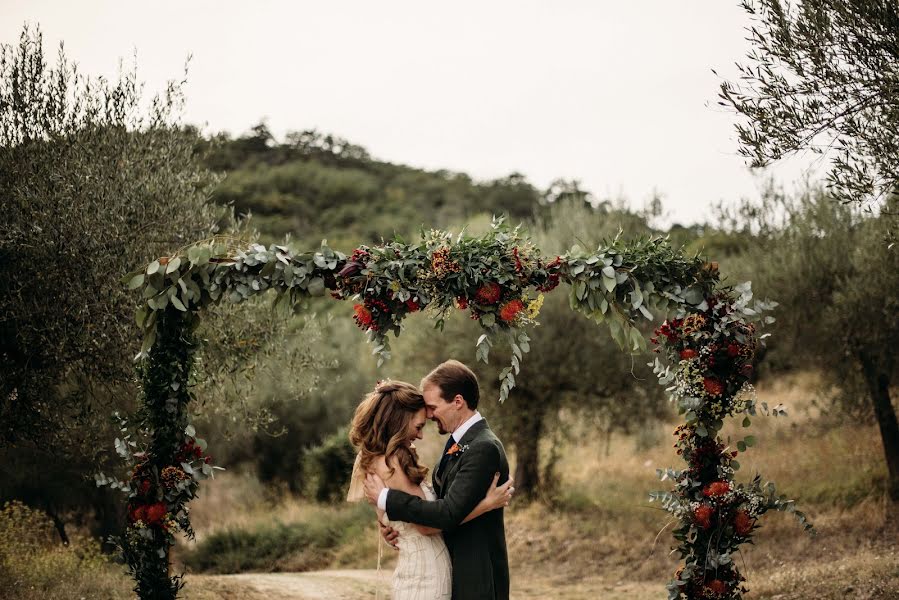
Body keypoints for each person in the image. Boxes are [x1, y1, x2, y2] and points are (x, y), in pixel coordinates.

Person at [348, 378, 513, 600]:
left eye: (432, 410)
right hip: (425, 575)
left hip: (432, 570)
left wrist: (390, 521)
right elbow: (427, 525)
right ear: (399, 421)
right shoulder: (390, 462)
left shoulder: (391, 459)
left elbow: (421, 514)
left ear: (458, 401)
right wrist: (485, 505)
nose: (421, 434)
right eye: (418, 426)